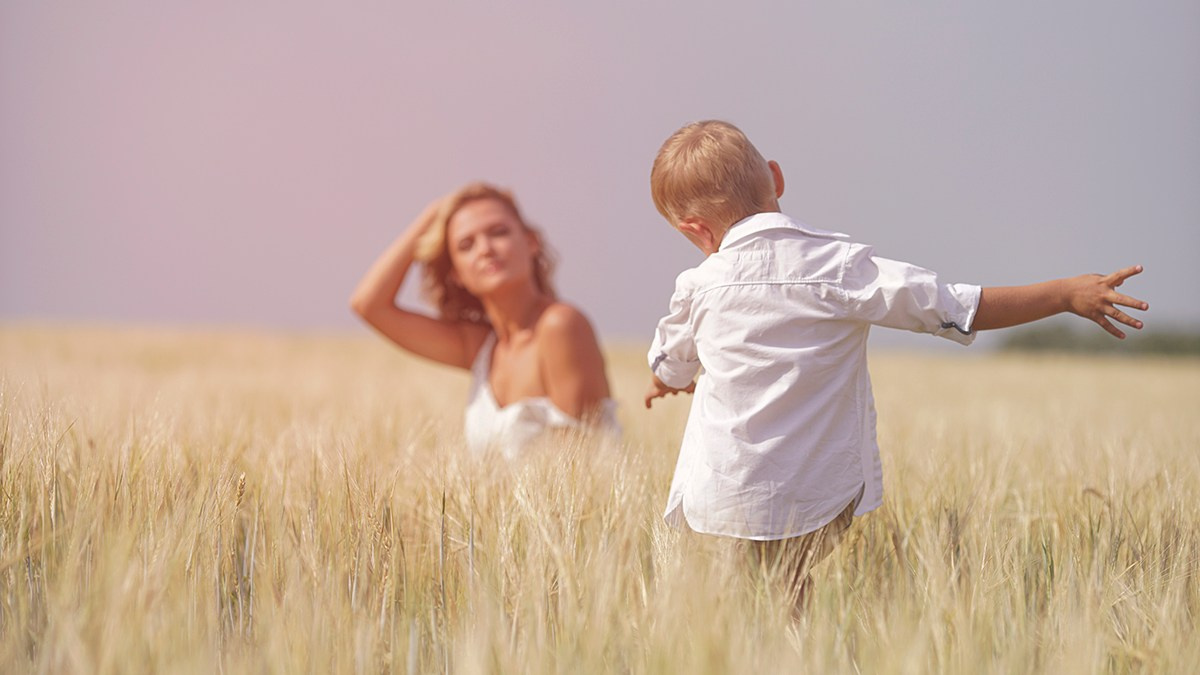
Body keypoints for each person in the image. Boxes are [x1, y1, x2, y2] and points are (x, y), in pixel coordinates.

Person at [642, 120, 1148, 606]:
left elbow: (672, 357)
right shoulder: (838, 266)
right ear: (775, 177)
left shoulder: (699, 285)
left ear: (696, 230)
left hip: (728, 491)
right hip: (820, 491)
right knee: (780, 590)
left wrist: (665, 381)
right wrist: (1063, 294)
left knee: (756, 597)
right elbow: (953, 308)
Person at [351, 182, 618, 458]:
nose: (485, 249)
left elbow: (581, 467)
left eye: (499, 232)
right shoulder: (481, 348)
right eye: (466, 245)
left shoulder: (560, 326)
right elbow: (368, 306)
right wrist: (433, 214)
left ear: (531, 242)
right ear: (456, 273)